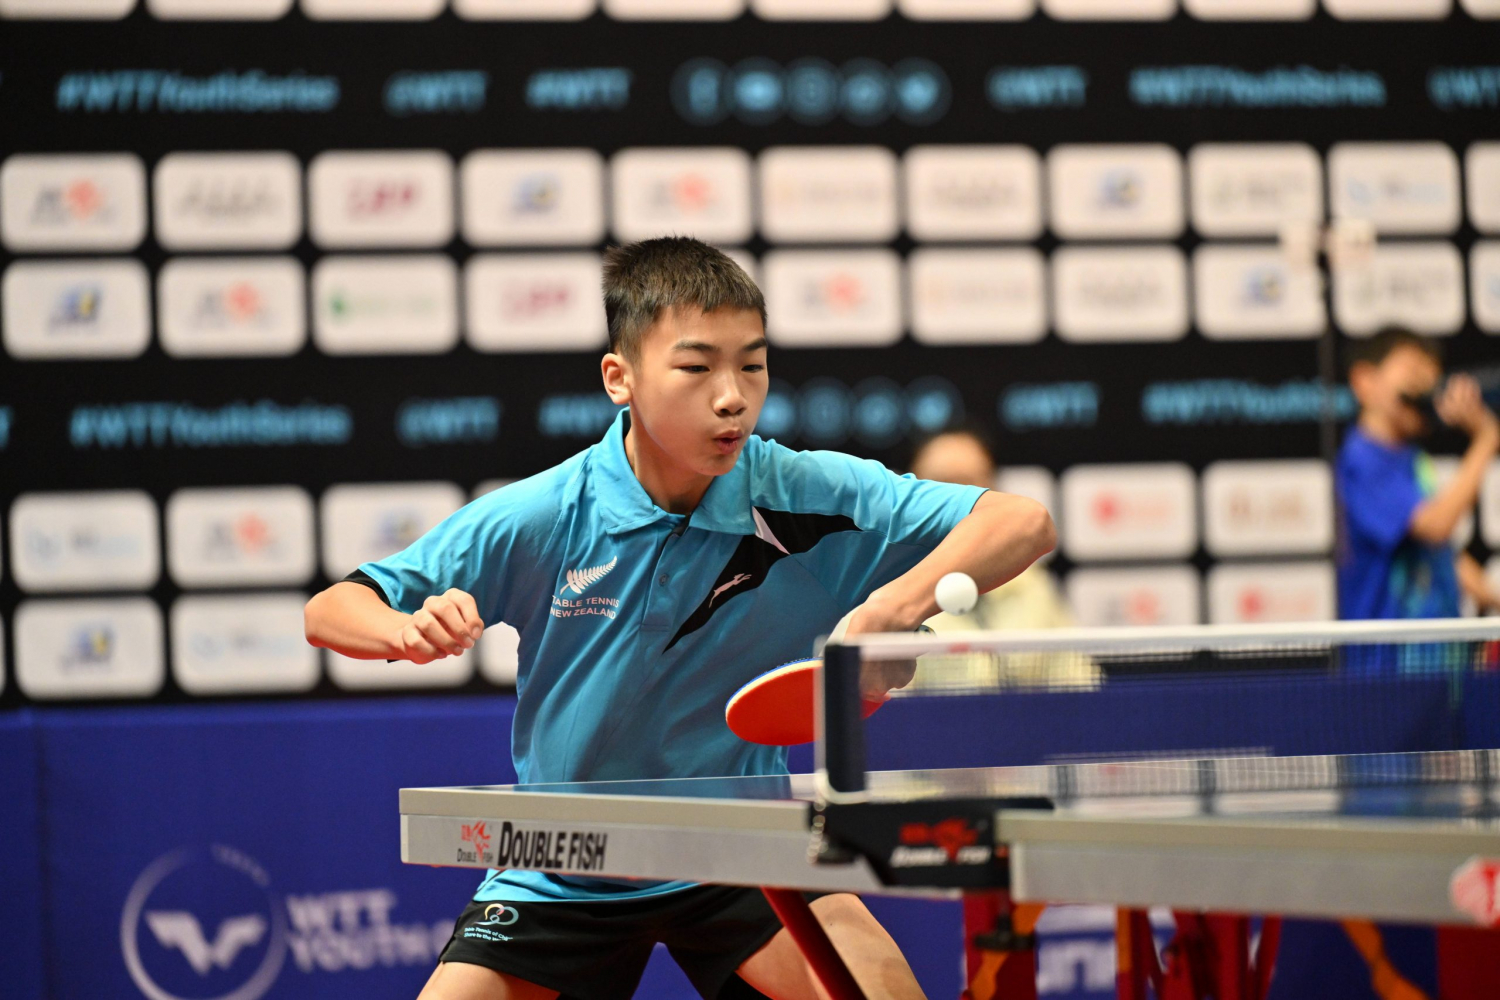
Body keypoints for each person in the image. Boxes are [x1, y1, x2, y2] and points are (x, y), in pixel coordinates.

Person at [303, 236, 1055, 1000]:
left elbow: (1022, 522)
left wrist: (891, 607)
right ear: (619, 378)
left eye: (752, 366)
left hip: (743, 851)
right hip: (564, 864)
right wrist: (406, 631)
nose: (732, 397)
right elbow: (333, 609)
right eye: (697, 368)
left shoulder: (804, 494)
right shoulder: (546, 513)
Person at [1336, 328, 1500, 629]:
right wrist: (1486, 439)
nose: (1425, 388)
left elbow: (1440, 554)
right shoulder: (1361, 460)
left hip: (1440, 652)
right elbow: (1435, 526)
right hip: (1388, 654)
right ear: (1364, 381)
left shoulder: (1413, 459)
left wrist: (1493, 597)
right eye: (1412, 371)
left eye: (1431, 379)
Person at [908, 428, 1095, 691]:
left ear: (994, 493)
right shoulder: (880, 589)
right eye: (938, 485)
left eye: (969, 486)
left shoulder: (1033, 587)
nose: (954, 500)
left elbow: (1079, 686)